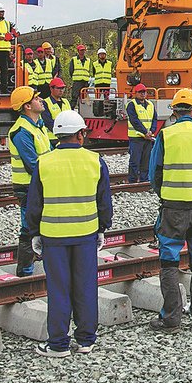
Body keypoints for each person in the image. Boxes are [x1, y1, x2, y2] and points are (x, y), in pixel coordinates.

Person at [26, 110, 113, 357]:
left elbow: (35, 204)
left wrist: (34, 233)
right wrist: (102, 228)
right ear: (81, 134)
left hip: (53, 236)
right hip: (85, 235)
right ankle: (86, 340)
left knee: (59, 289)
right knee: (85, 287)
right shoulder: (95, 161)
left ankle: (58, 344)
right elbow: (104, 202)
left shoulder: (44, 162)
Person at [147, 88, 192, 332]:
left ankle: (171, 319)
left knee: (169, 262)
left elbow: (154, 172)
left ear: (174, 111)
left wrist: (165, 193)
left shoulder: (166, 135)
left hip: (173, 209)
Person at [10, 86, 52, 276]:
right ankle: (25, 272)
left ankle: (35, 267)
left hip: (40, 184)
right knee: (29, 229)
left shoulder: (38, 125)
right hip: (29, 187)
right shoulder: (21, 131)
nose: (40, 100)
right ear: (27, 106)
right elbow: (32, 165)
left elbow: (49, 154)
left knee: (41, 226)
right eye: (36, 98)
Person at [126, 83, 157, 183]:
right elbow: (134, 120)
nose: (143, 94)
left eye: (144, 92)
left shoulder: (150, 105)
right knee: (135, 161)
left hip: (147, 138)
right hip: (136, 137)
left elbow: (154, 119)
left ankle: (144, 180)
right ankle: (132, 181)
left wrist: (152, 131)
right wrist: (145, 132)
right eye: (140, 92)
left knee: (145, 161)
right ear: (136, 93)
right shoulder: (131, 104)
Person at [42, 77, 72, 144]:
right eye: (58, 88)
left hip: (66, 138)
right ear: (51, 89)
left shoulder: (66, 102)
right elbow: (48, 122)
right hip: (52, 138)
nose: (61, 90)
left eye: (62, 88)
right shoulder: (46, 103)